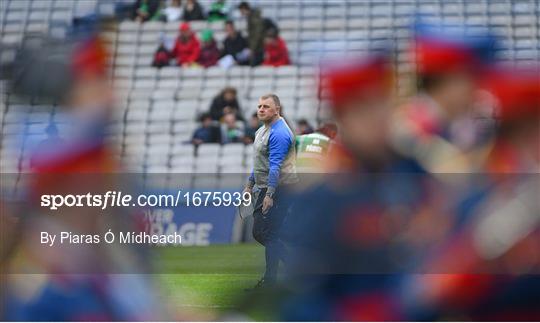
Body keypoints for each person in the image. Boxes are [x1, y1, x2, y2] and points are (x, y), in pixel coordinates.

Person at [390, 19, 498, 177]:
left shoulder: (467, 127)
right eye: (468, 78)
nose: (476, 86)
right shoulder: (409, 129)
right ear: (445, 82)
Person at [243, 93, 298, 289]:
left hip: (281, 188)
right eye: (259, 106)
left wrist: (269, 194)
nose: (261, 109)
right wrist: (250, 184)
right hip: (267, 186)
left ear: (277, 110)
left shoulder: (280, 133)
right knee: (266, 233)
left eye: (266, 106)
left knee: (265, 232)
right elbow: (260, 162)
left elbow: (275, 166)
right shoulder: (262, 131)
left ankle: (279, 276)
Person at [237, 1, 266, 66]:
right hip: (256, 47)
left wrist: (252, 48)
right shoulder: (251, 17)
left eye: (241, 10)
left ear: (244, 9)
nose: (241, 13)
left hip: (258, 48)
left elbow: (257, 34)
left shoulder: (253, 18)